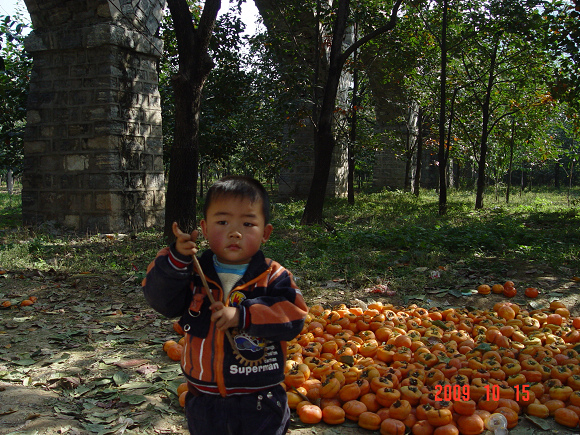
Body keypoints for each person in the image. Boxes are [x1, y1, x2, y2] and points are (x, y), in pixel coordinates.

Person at [143, 175, 308, 435]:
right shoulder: (194, 273)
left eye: (247, 223)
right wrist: (175, 261)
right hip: (204, 400)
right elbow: (161, 300)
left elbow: (295, 316)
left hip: (261, 400)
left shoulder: (273, 276)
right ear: (205, 229)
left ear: (265, 233)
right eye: (222, 222)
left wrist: (244, 316)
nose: (235, 231)